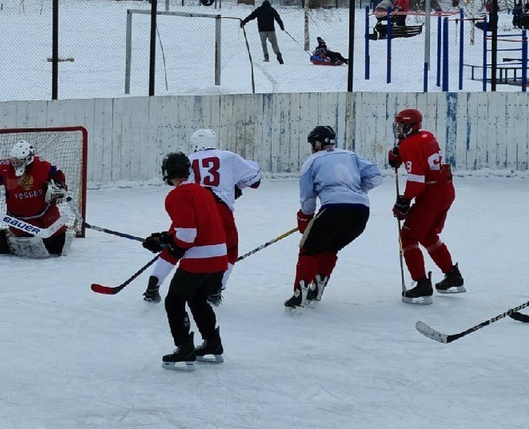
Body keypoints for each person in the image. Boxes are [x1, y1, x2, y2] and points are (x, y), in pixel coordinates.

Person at [143, 129, 261, 306]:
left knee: (175, 244)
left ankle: (154, 283)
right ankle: (215, 291)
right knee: (229, 249)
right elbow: (255, 181)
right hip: (220, 209)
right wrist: (235, 185)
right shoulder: (228, 156)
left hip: (192, 206)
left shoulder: (188, 160)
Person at [144, 152, 229, 370]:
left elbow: (187, 236)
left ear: (166, 173)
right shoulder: (202, 191)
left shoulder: (176, 196)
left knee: (174, 301)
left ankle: (184, 348)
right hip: (219, 259)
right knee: (198, 300)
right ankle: (212, 343)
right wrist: (164, 239)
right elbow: (189, 230)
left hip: (199, 261)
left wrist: (171, 245)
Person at [288, 125, 383, 308]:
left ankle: (300, 292)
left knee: (309, 249)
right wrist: (355, 191)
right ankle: (318, 287)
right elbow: (375, 176)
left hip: (333, 210)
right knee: (330, 248)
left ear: (316, 143)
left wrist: (305, 217)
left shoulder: (312, 161)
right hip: (361, 212)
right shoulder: (350, 155)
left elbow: (308, 197)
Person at [387, 107, 464, 303]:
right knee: (428, 234)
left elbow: (416, 180)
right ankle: (452, 275)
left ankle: (421, 284)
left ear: (408, 125)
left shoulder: (410, 145)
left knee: (408, 236)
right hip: (445, 190)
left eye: (400, 125)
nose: (397, 128)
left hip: (430, 194)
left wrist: (404, 200)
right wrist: (400, 151)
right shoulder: (427, 135)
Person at [0, 140, 72, 257]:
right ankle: (4, 240)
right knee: (28, 246)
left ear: (29, 157)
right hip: (18, 218)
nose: (16, 163)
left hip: (46, 212)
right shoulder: (4, 168)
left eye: (20, 160)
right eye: (14, 160)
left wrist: (60, 184)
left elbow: (57, 173)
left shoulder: (41, 165)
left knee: (58, 245)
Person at [240, 0, 285, 64]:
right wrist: (281, 26)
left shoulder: (259, 10)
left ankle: (266, 56)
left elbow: (251, 16)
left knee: (264, 43)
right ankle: (278, 54)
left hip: (262, 30)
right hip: (271, 30)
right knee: (274, 43)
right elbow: (277, 18)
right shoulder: (271, 9)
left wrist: (244, 22)